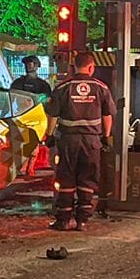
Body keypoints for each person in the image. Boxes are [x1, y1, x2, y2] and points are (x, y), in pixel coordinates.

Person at [43, 52, 115, 231]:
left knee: (66, 178)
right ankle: (82, 220)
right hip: (91, 142)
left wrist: (50, 135)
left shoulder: (63, 87)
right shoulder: (101, 88)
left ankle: (63, 220)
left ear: (74, 67)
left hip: (68, 141)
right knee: (88, 179)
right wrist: (106, 137)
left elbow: (52, 115)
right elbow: (107, 115)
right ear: (91, 67)